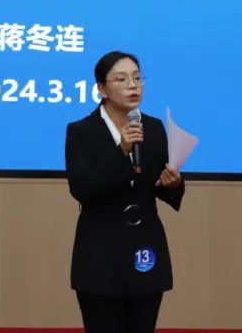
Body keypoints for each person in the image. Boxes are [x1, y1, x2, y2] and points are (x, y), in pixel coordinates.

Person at [65, 50, 186, 333]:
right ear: (102, 89)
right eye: (121, 79)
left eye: (137, 78)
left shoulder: (153, 128)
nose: (133, 86)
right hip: (100, 253)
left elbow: (156, 186)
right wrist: (120, 152)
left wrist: (173, 184)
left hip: (145, 249)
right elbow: (81, 188)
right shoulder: (82, 131)